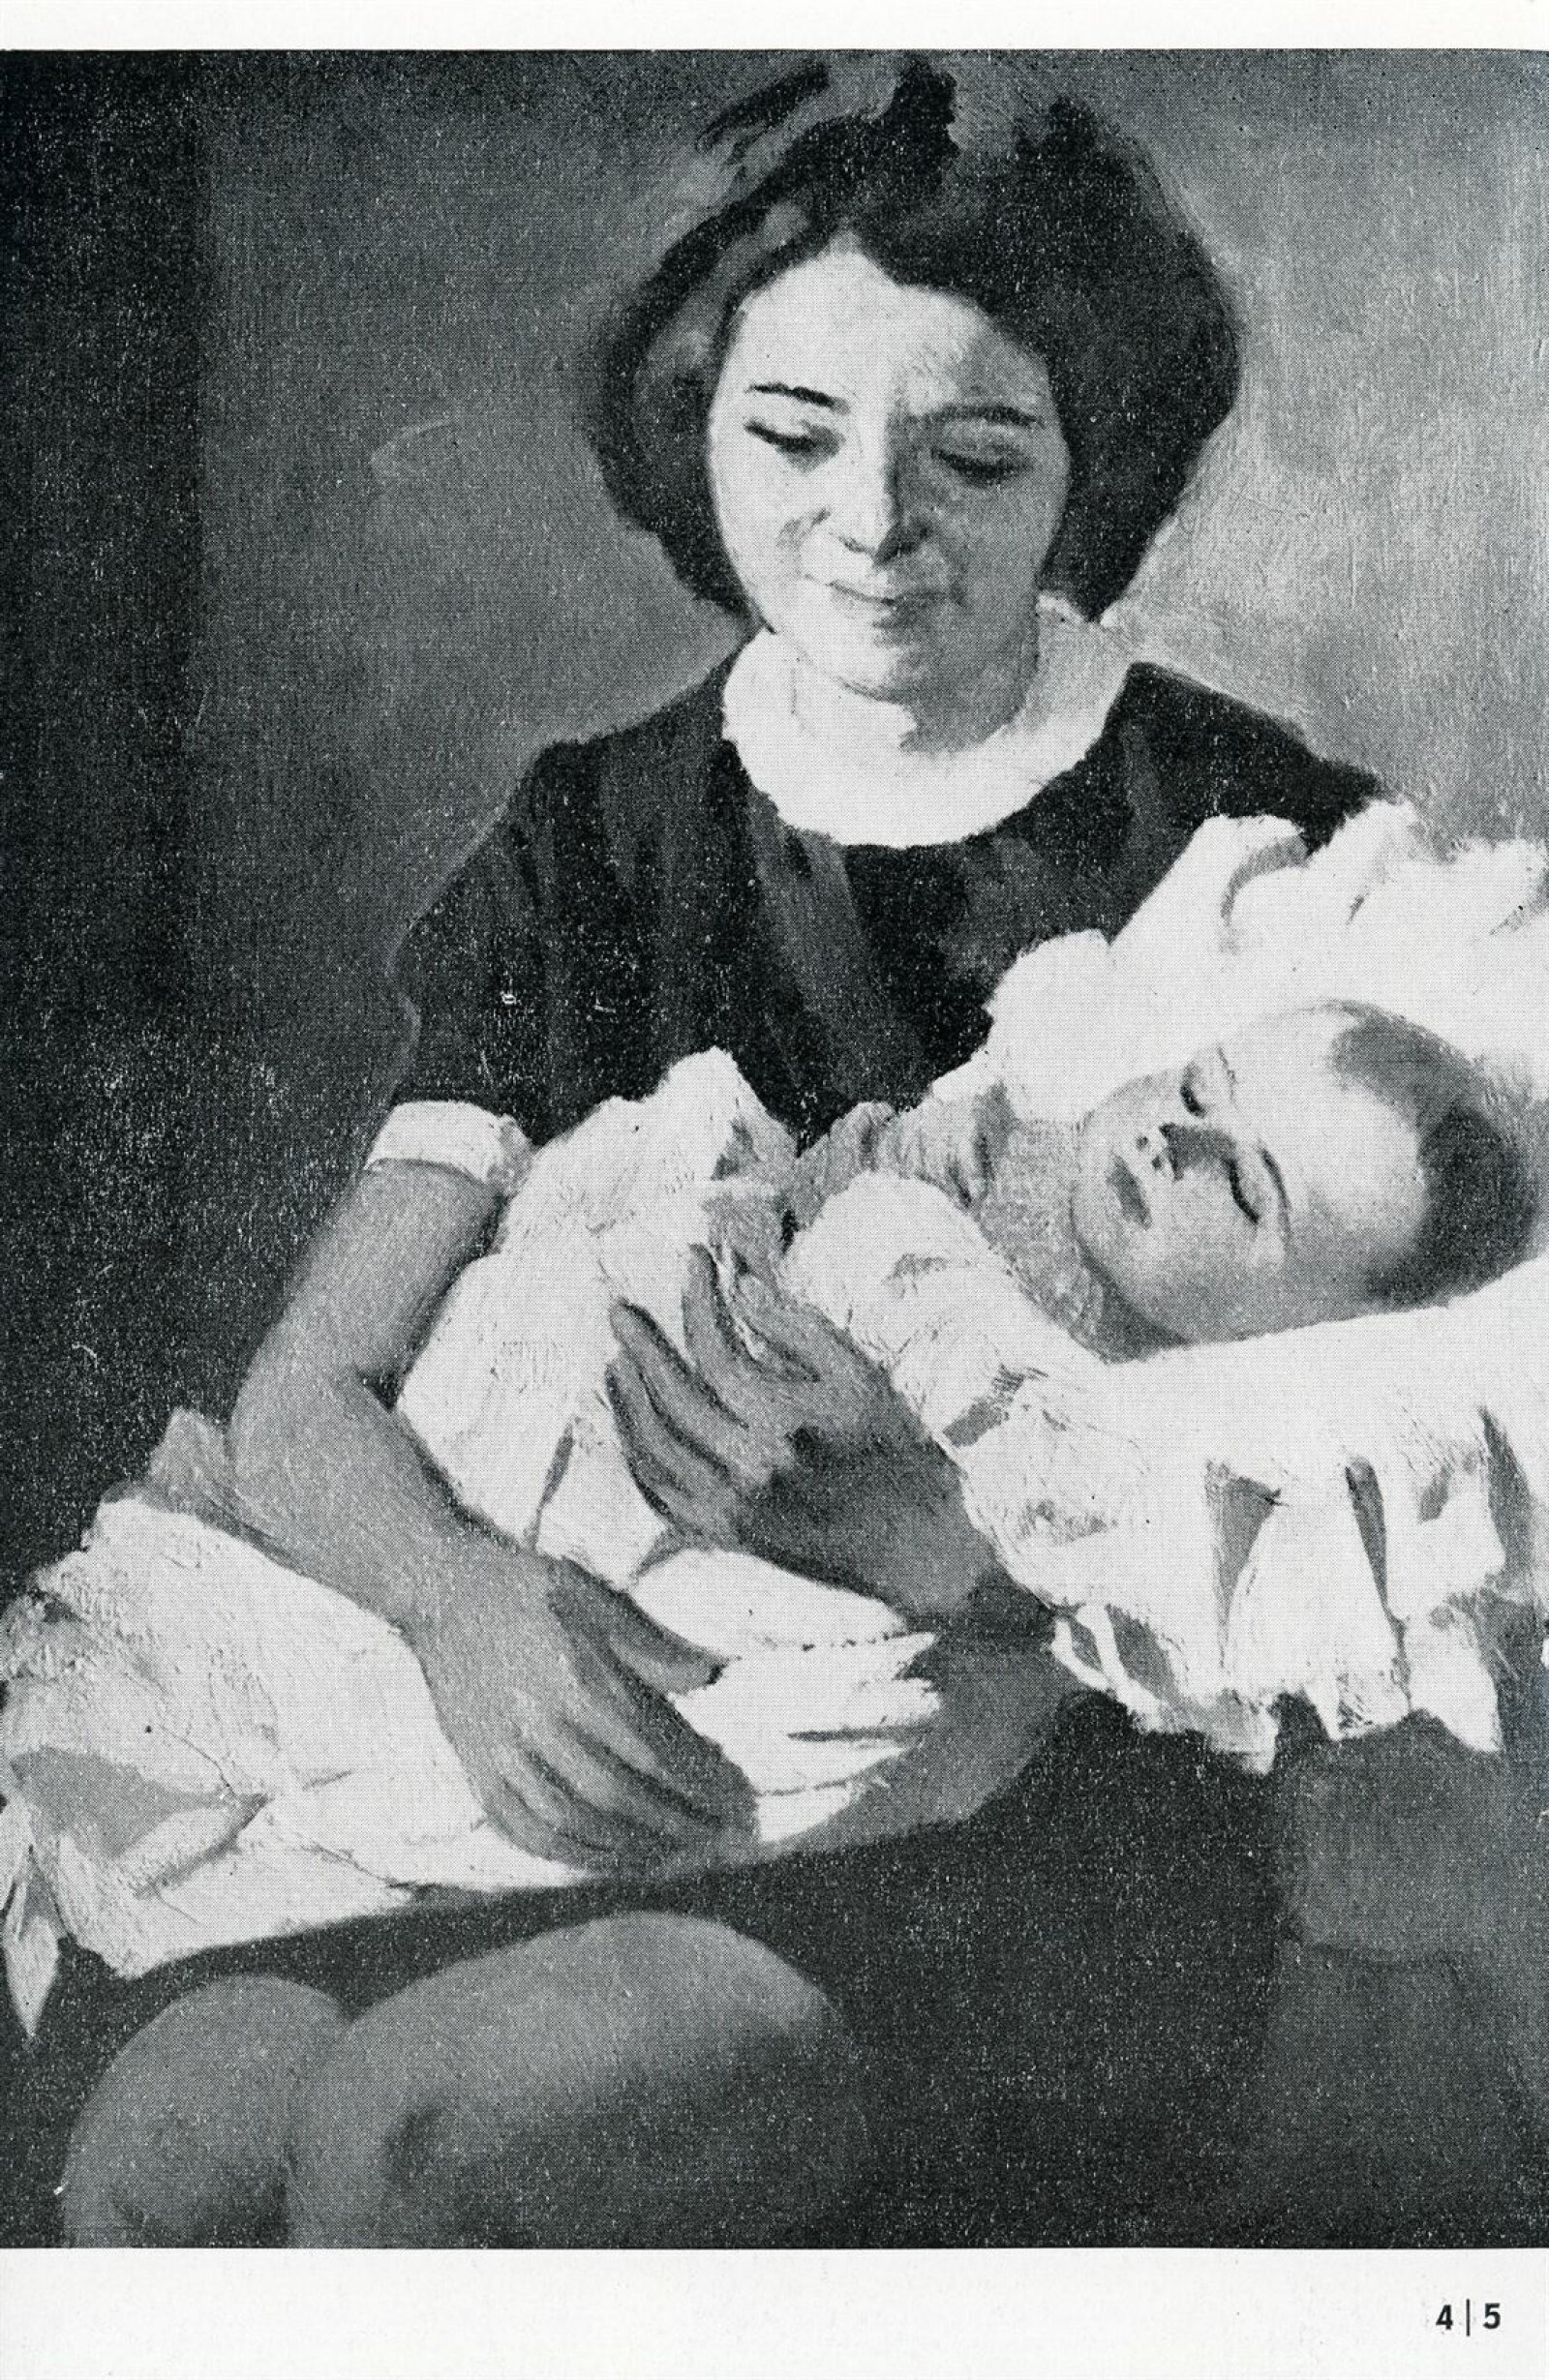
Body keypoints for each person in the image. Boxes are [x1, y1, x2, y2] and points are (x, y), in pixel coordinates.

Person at [28, 63, 1413, 2247]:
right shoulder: (594, 833)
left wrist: (958, 1547)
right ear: (696, 436)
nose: (872, 523)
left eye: (973, 456)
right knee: (164, 2159)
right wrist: (468, 1612)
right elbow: (310, 1396)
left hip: (1013, 1827)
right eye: (792, 438)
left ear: (1094, 473)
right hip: (535, 1749)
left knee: (422, 2144)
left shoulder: (1263, 857)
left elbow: (1415, 1489)